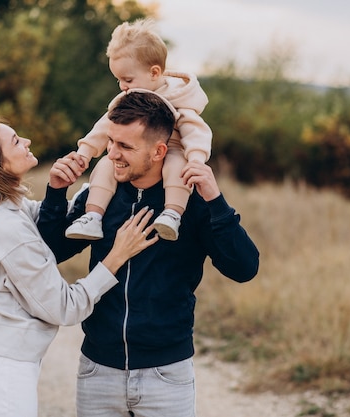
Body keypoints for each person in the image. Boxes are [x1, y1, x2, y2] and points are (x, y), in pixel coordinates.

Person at [38, 91, 259, 417]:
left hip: (167, 374)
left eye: (125, 146)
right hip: (97, 370)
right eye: (111, 142)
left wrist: (215, 200)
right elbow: (51, 252)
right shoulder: (100, 197)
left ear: (159, 151)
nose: (112, 154)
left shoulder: (192, 203)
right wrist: (56, 192)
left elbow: (244, 267)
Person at [0, 116, 159, 417]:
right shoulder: (6, 228)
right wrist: (116, 257)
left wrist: (68, 188)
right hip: (4, 377)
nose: (27, 142)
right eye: (16, 141)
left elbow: (51, 224)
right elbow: (64, 307)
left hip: (3, 367)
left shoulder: (7, 208)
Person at [64, 18, 212, 241]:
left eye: (127, 79)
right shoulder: (129, 98)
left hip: (171, 150)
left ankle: (172, 213)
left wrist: (196, 159)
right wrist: (85, 152)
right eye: (118, 80)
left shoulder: (180, 97)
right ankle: (93, 217)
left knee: (176, 165)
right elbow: (105, 125)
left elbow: (196, 131)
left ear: (154, 73)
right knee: (106, 164)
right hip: (137, 156)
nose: (122, 86)